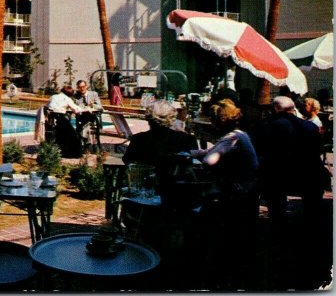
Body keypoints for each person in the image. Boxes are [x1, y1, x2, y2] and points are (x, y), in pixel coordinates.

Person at [191, 99, 260, 286]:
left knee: (226, 229)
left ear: (219, 121)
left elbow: (210, 160)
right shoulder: (239, 134)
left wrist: (198, 156)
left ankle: (220, 271)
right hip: (247, 190)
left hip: (239, 192)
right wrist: (191, 152)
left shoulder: (232, 138)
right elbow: (214, 150)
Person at [254, 96, 325, 228]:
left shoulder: (267, 126)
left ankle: (279, 230)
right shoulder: (310, 127)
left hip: (279, 175)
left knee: (276, 207)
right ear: (293, 109)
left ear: (275, 109)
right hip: (308, 173)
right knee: (312, 211)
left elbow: (261, 152)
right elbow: (316, 152)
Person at [123, 99, 199, 190]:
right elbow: (194, 167)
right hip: (176, 191)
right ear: (172, 118)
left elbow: (127, 161)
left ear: (148, 119)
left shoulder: (138, 139)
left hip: (146, 189)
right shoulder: (187, 139)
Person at [46, 84, 83, 158]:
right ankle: (72, 154)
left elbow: (48, 106)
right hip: (60, 118)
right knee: (73, 136)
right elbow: (76, 109)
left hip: (51, 119)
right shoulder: (67, 99)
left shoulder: (53, 96)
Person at [73, 80, 102, 150]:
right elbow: (75, 106)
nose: (82, 89)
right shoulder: (76, 96)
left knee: (85, 124)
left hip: (92, 116)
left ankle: (86, 143)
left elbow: (100, 106)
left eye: (83, 87)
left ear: (86, 86)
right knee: (84, 124)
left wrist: (93, 105)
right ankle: (86, 143)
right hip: (81, 116)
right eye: (80, 87)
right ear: (77, 88)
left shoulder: (93, 94)